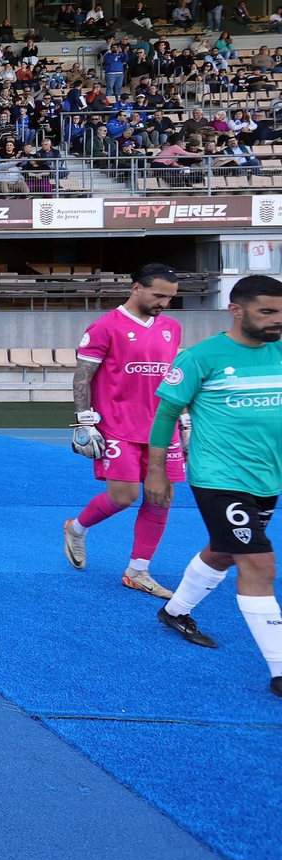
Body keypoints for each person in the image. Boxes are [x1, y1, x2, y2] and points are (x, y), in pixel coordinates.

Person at [146, 275, 282, 698]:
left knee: (225, 549)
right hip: (219, 478)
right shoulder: (200, 358)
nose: (278, 320)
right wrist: (157, 472)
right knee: (258, 564)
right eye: (268, 312)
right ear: (236, 310)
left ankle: (174, 611)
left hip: (267, 477)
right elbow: (166, 415)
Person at [63, 264, 184, 597]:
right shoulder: (106, 326)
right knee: (124, 497)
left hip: (162, 428)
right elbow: (82, 375)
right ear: (135, 288)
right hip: (117, 427)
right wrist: (84, 418)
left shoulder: (172, 328)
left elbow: (170, 379)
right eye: (158, 295)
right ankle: (76, 528)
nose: (164, 302)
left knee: (161, 496)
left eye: (170, 297)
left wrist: (183, 418)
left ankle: (138, 570)